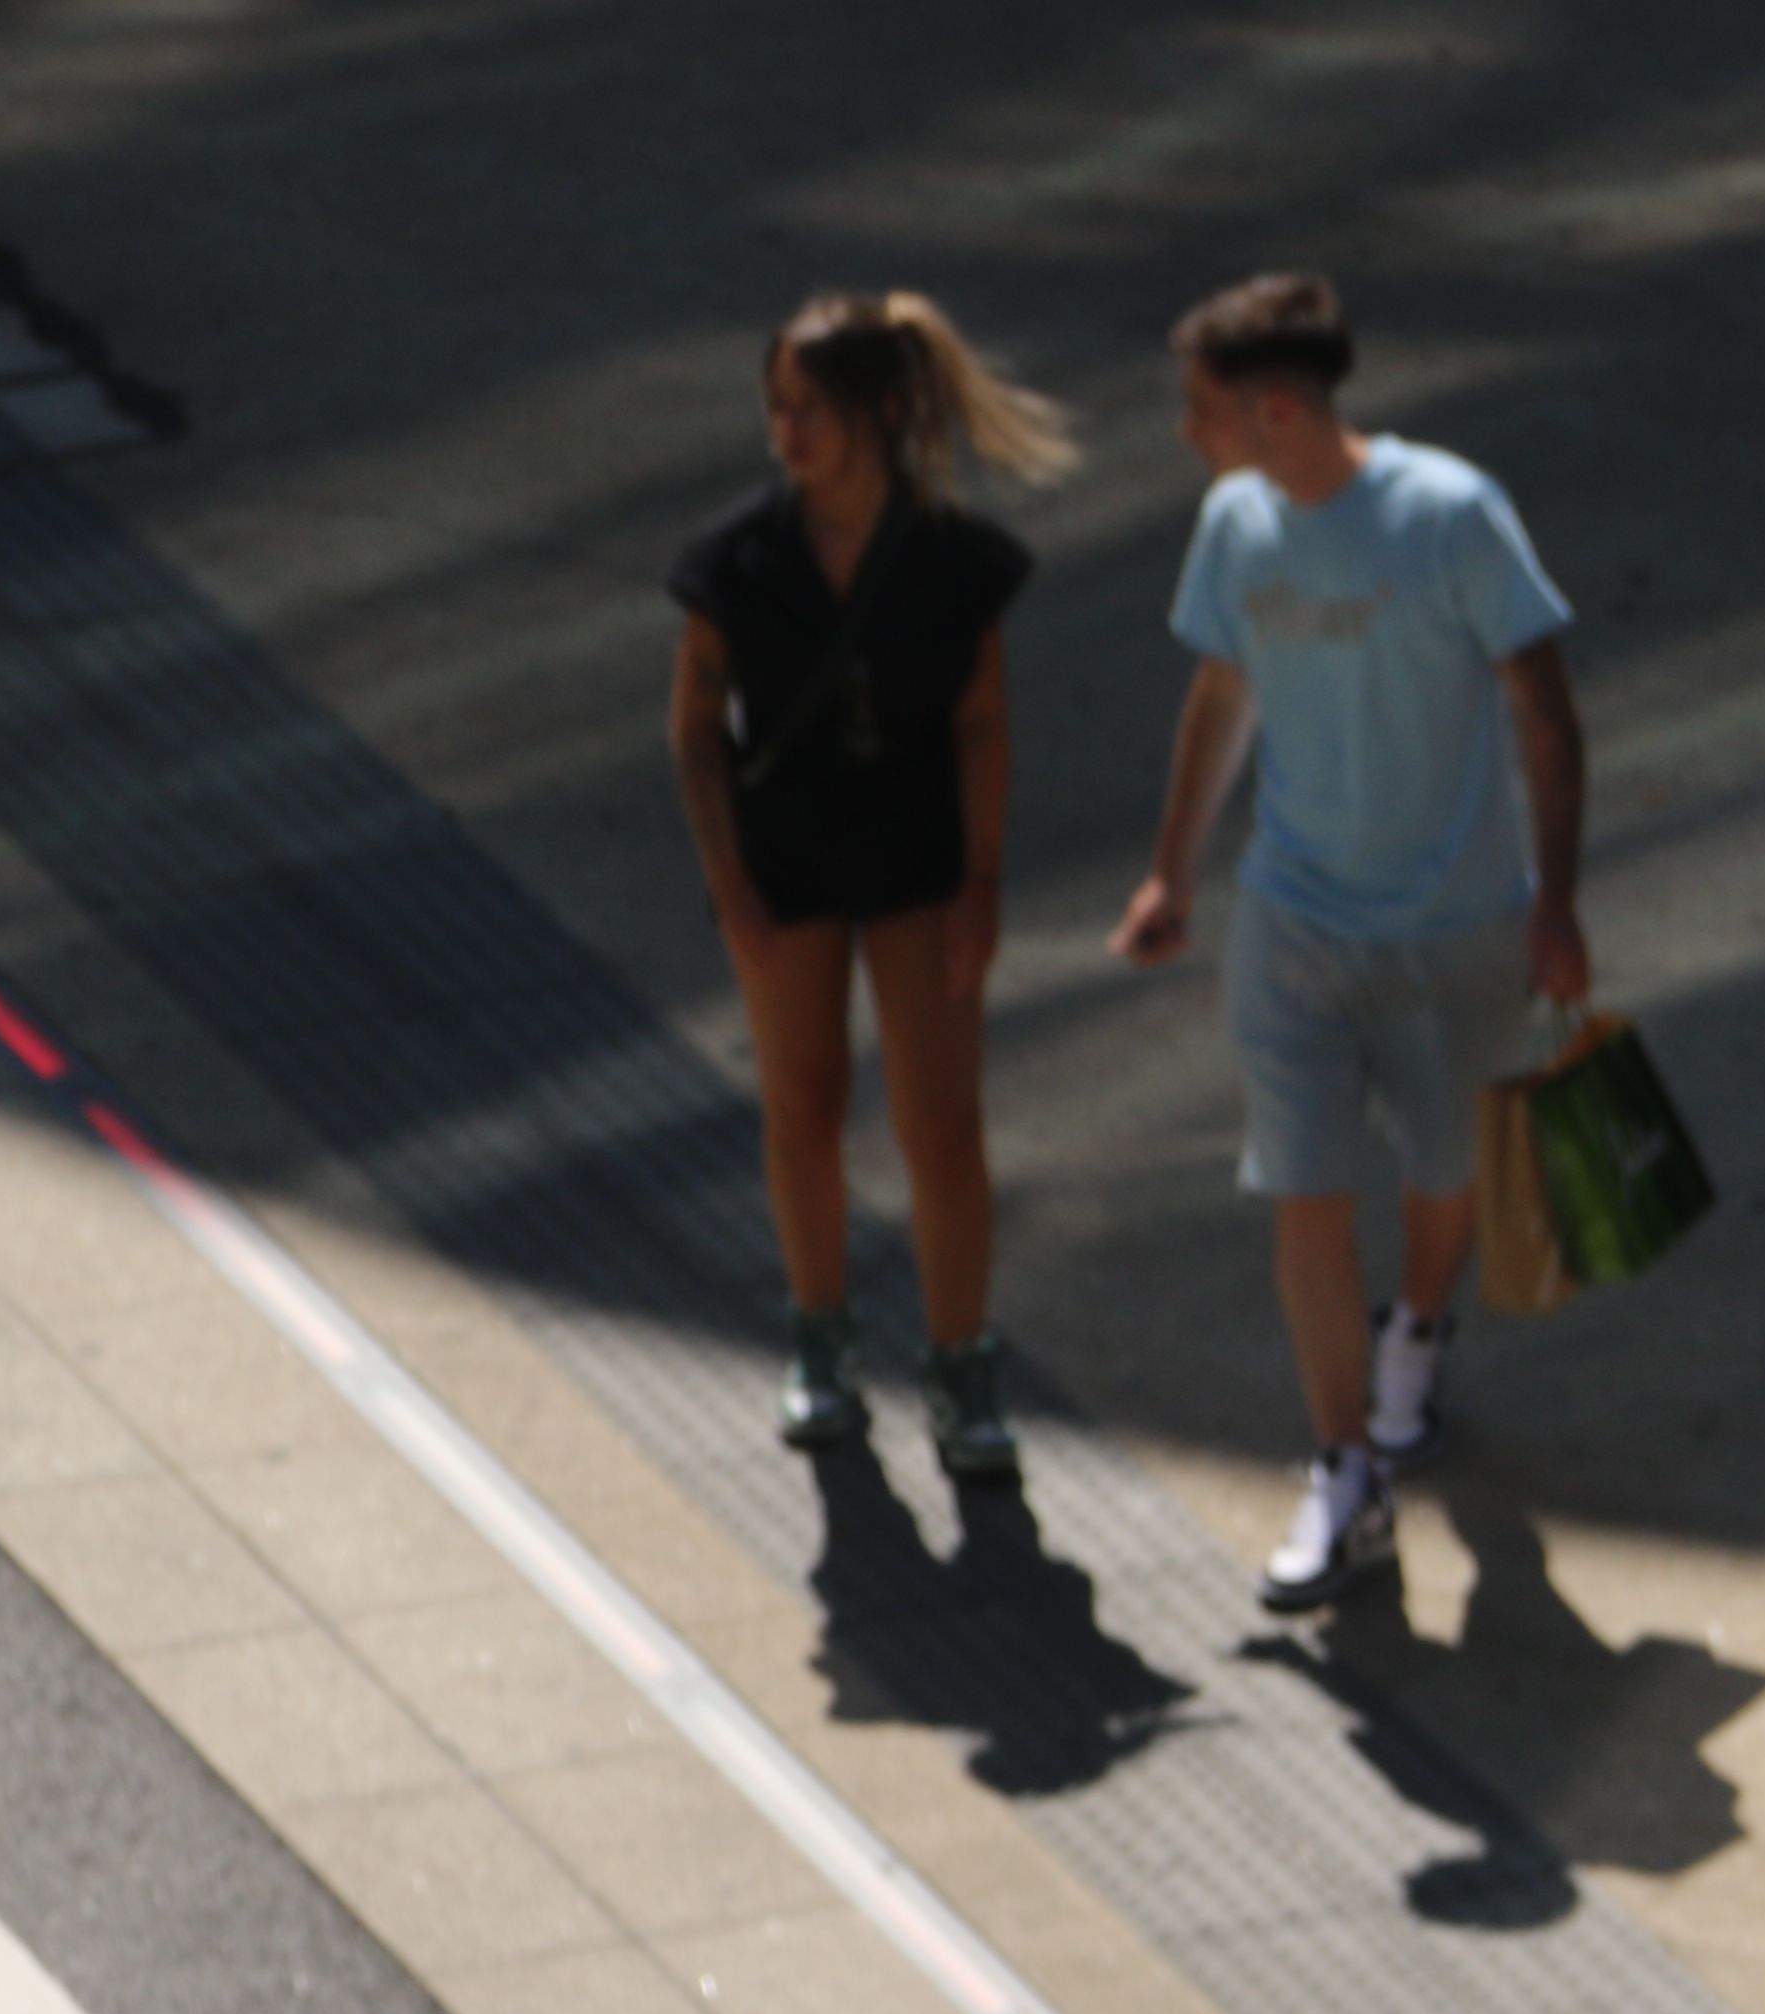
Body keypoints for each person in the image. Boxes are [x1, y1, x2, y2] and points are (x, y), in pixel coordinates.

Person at [1109, 271, 1588, 1611]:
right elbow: (1223, 692)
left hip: (1457, 930)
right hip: (1295, 921)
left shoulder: (1450, 515)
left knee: (1447, 1173)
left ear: (1274, 411)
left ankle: (1416, 1335)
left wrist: (1556, 906)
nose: (1187, 432)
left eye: (1202, 409)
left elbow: (1544, 709)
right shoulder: (1235, 522)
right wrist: (1173, 873)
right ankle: (1345, 1470)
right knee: (1303, 1190)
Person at [668, 291, 1078, 1473]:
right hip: (785, 861)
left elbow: (982, 725)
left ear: (887, 412)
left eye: (812, 409)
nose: (787, 433)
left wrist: (984, 881)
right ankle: (821, 1342)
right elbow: (695, 729)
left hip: (918, 859)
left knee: (941, 1125)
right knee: (801, 1107)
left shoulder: (951, 560)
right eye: (777, 408)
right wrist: (729, 882)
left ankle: (961, 1364)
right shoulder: (737, 561)